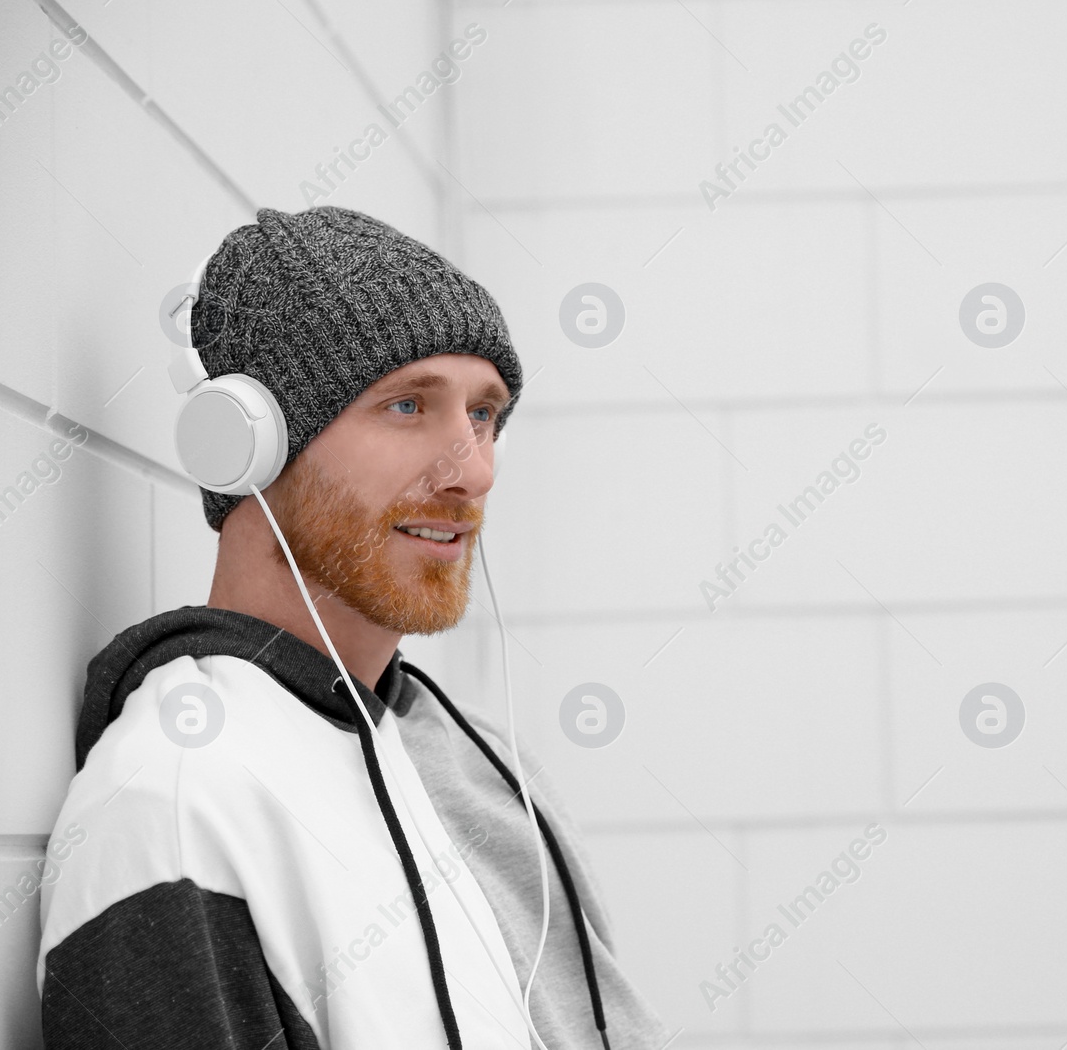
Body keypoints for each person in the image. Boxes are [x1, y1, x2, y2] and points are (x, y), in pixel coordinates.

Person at [36, 205, 668, 1049]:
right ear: (245, 445)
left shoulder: (482, 766)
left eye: (484, 414)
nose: (471, 469)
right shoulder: (178, 805)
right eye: (409, 405)